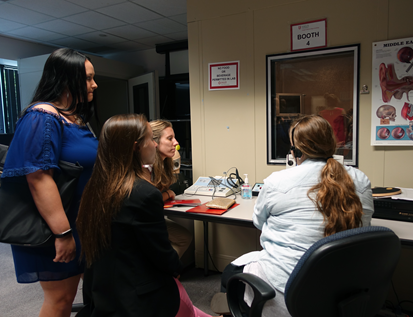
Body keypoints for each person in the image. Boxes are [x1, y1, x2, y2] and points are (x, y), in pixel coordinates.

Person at [211, 115, 374, 317]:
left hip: (289, 286)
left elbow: (258, 222)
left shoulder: (278, 180)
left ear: (296, 151)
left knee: (230, 272)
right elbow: (364, 224)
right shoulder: (361, 179)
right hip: (342, 285)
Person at [76, 114, 216, 317]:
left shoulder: (96, 188)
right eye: (151, 139)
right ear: (136, 146)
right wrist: (175, 270)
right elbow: (162, 255)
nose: (155, 143)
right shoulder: (142, 193)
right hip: (139, 301)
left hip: (103, 295)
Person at [1, 48, 98, 316]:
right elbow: (38, 178)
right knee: (59, 299)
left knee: (67, 296)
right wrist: (63, 234)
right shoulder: (42, 117)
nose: (94, 84)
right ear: (67, 79)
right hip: (54, 228)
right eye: (88, 78)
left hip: (76, 220)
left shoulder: (73, 118)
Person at [150, 119, 193, 258]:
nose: (176, 143)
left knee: (184, 237)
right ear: (155, 142)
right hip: (143, 221)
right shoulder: (146, 167)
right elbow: (151, 199)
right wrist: (168, 193)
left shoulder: (165, 163)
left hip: (154, 216)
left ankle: (164, 271)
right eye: (170, 139)